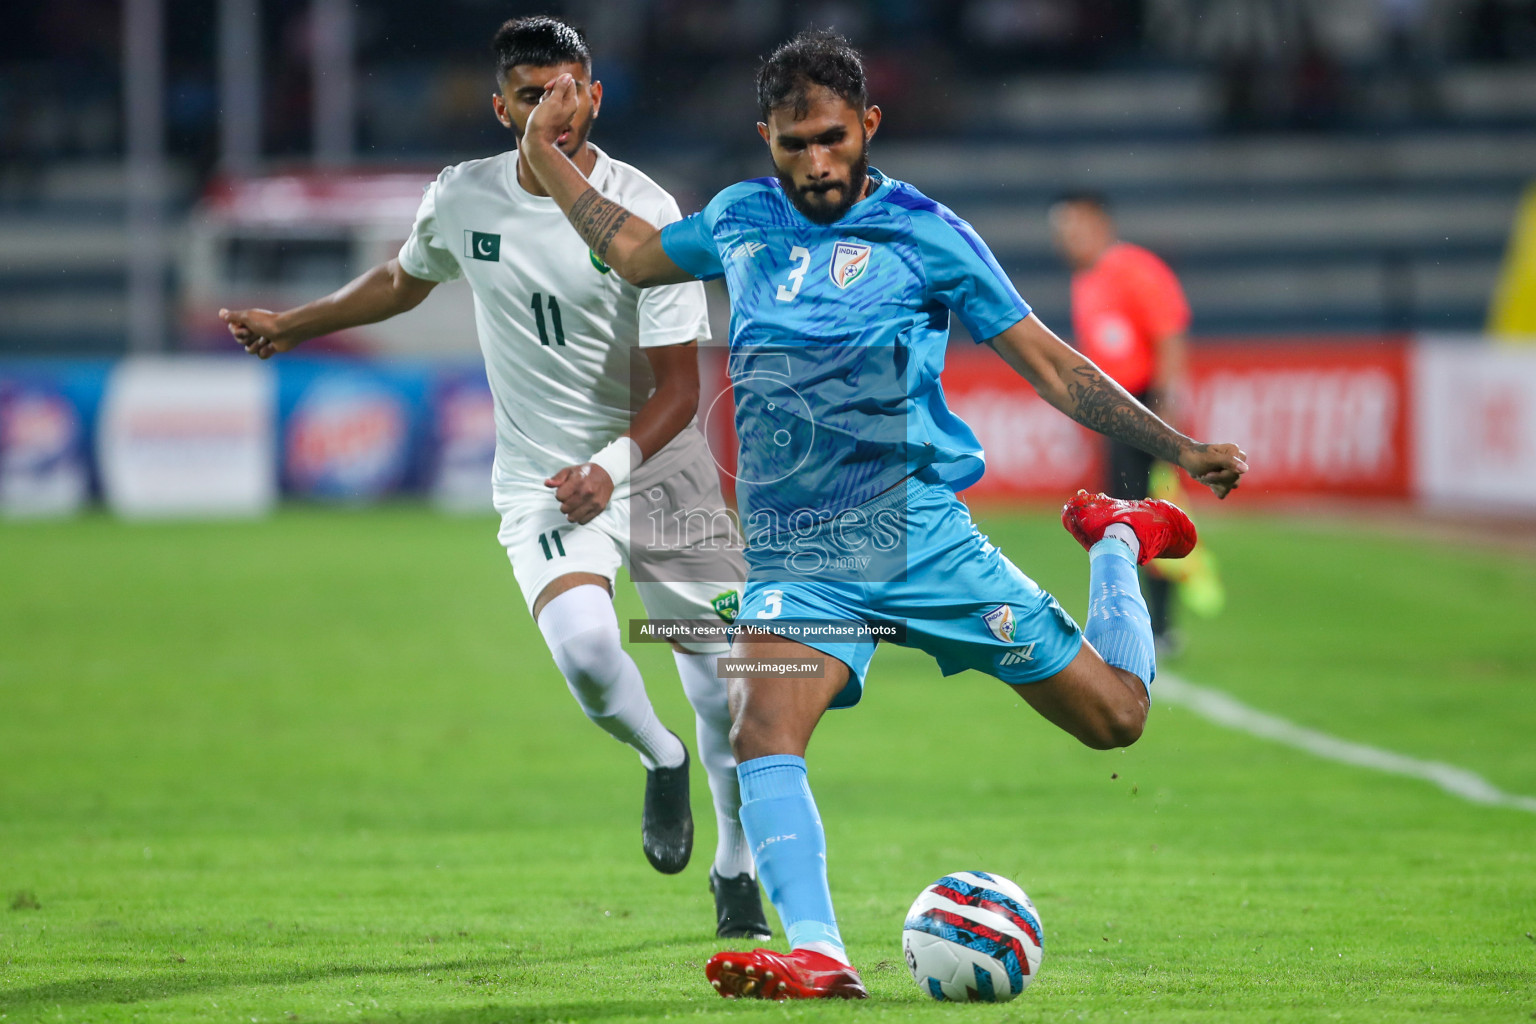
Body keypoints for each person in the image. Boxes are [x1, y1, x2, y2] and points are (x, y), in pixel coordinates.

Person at [520, 29, 1247, 999]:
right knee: (760, 725)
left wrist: (1180, 450)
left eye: (830, 138)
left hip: (918, 536)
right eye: (793, 145)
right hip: (797, 557)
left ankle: (1117, 537)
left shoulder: (927, 232)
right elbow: (636, 253)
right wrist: (544, 156)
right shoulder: (740, 218)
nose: (815, 163)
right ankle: (818, 951)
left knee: (1117, 719)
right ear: (765, 139)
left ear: (867, 125)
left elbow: (1051, 364)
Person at [218, 15, 770, 942]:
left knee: (724, 685)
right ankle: (659, 757)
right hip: (543, 479)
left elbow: (683, 388)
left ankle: (736, 869)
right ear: (501, 107)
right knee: (592, 655)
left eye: (567, 92)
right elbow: (405, 275)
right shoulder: (464, 197)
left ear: (595, 94)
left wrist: (611, 467)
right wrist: (296, 324)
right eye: (531, 97)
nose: (553, 111)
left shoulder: (650, 213)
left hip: (658, 468)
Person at [1051, 192, 1192, 650]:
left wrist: (1165, 407)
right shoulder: (1086, 280)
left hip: (1145, 404)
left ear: (1097, 222)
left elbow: (1169, 333)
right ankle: (1139, 620)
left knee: (1141, 515)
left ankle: (1161, 623)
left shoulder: (1134, 268)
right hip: (1118, 410)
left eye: (1071, 226)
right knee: (1123, 516)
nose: (1065, 239)